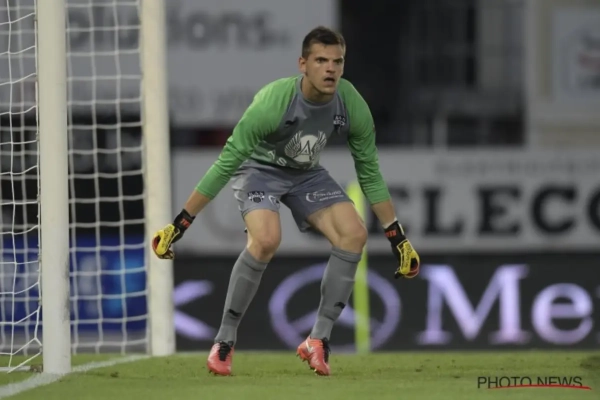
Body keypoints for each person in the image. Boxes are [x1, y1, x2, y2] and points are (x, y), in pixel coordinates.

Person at [151, 26, 420, 377]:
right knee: (266, 240)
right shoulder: (273, 103)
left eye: (337, 61)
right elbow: (226, 164)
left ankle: (318, 339)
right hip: (258, 170)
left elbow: (369, 172)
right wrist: (180, 224)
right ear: (302, 64)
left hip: (306, 174)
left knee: (353, 234)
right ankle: (225, 339)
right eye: (320, 61)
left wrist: (397, 237)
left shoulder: (351, 104)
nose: (330, 69)